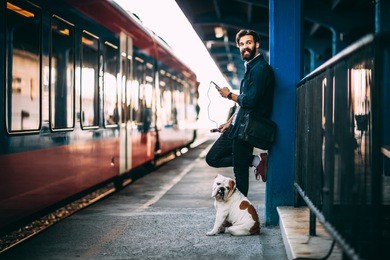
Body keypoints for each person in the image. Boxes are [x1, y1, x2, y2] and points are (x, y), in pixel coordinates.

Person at [205, 29, 275, 197]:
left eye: (249, 43)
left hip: (246, 128)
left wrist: (229, 95)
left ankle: (243, 216)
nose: (245, 47)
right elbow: (242, 105)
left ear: (257, 44)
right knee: (212, 158)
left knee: (240, 172)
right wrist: (229, 122)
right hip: (238, 126)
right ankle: (255, 160)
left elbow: (250, 101)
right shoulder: (250, 68)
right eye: (242, 44)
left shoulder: (260, 70)